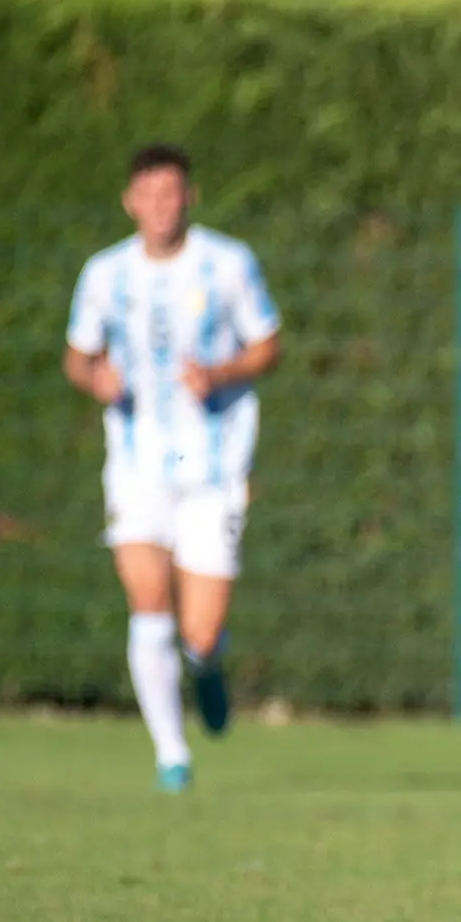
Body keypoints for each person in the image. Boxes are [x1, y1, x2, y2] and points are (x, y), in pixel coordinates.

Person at [61, 144, 284, 793]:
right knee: (147, 603)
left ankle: (206, 665)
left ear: (189, 197)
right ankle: (171, 756)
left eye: (172, 193)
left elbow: (269, 344)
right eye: (148, 194)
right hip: (138, 461)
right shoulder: (105, 273)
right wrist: (95, 376)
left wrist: (220, 371)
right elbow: (77, 356)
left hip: (211, 461)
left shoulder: (228, 263)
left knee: (201, 630)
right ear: (131, 201)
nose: (160, 206)